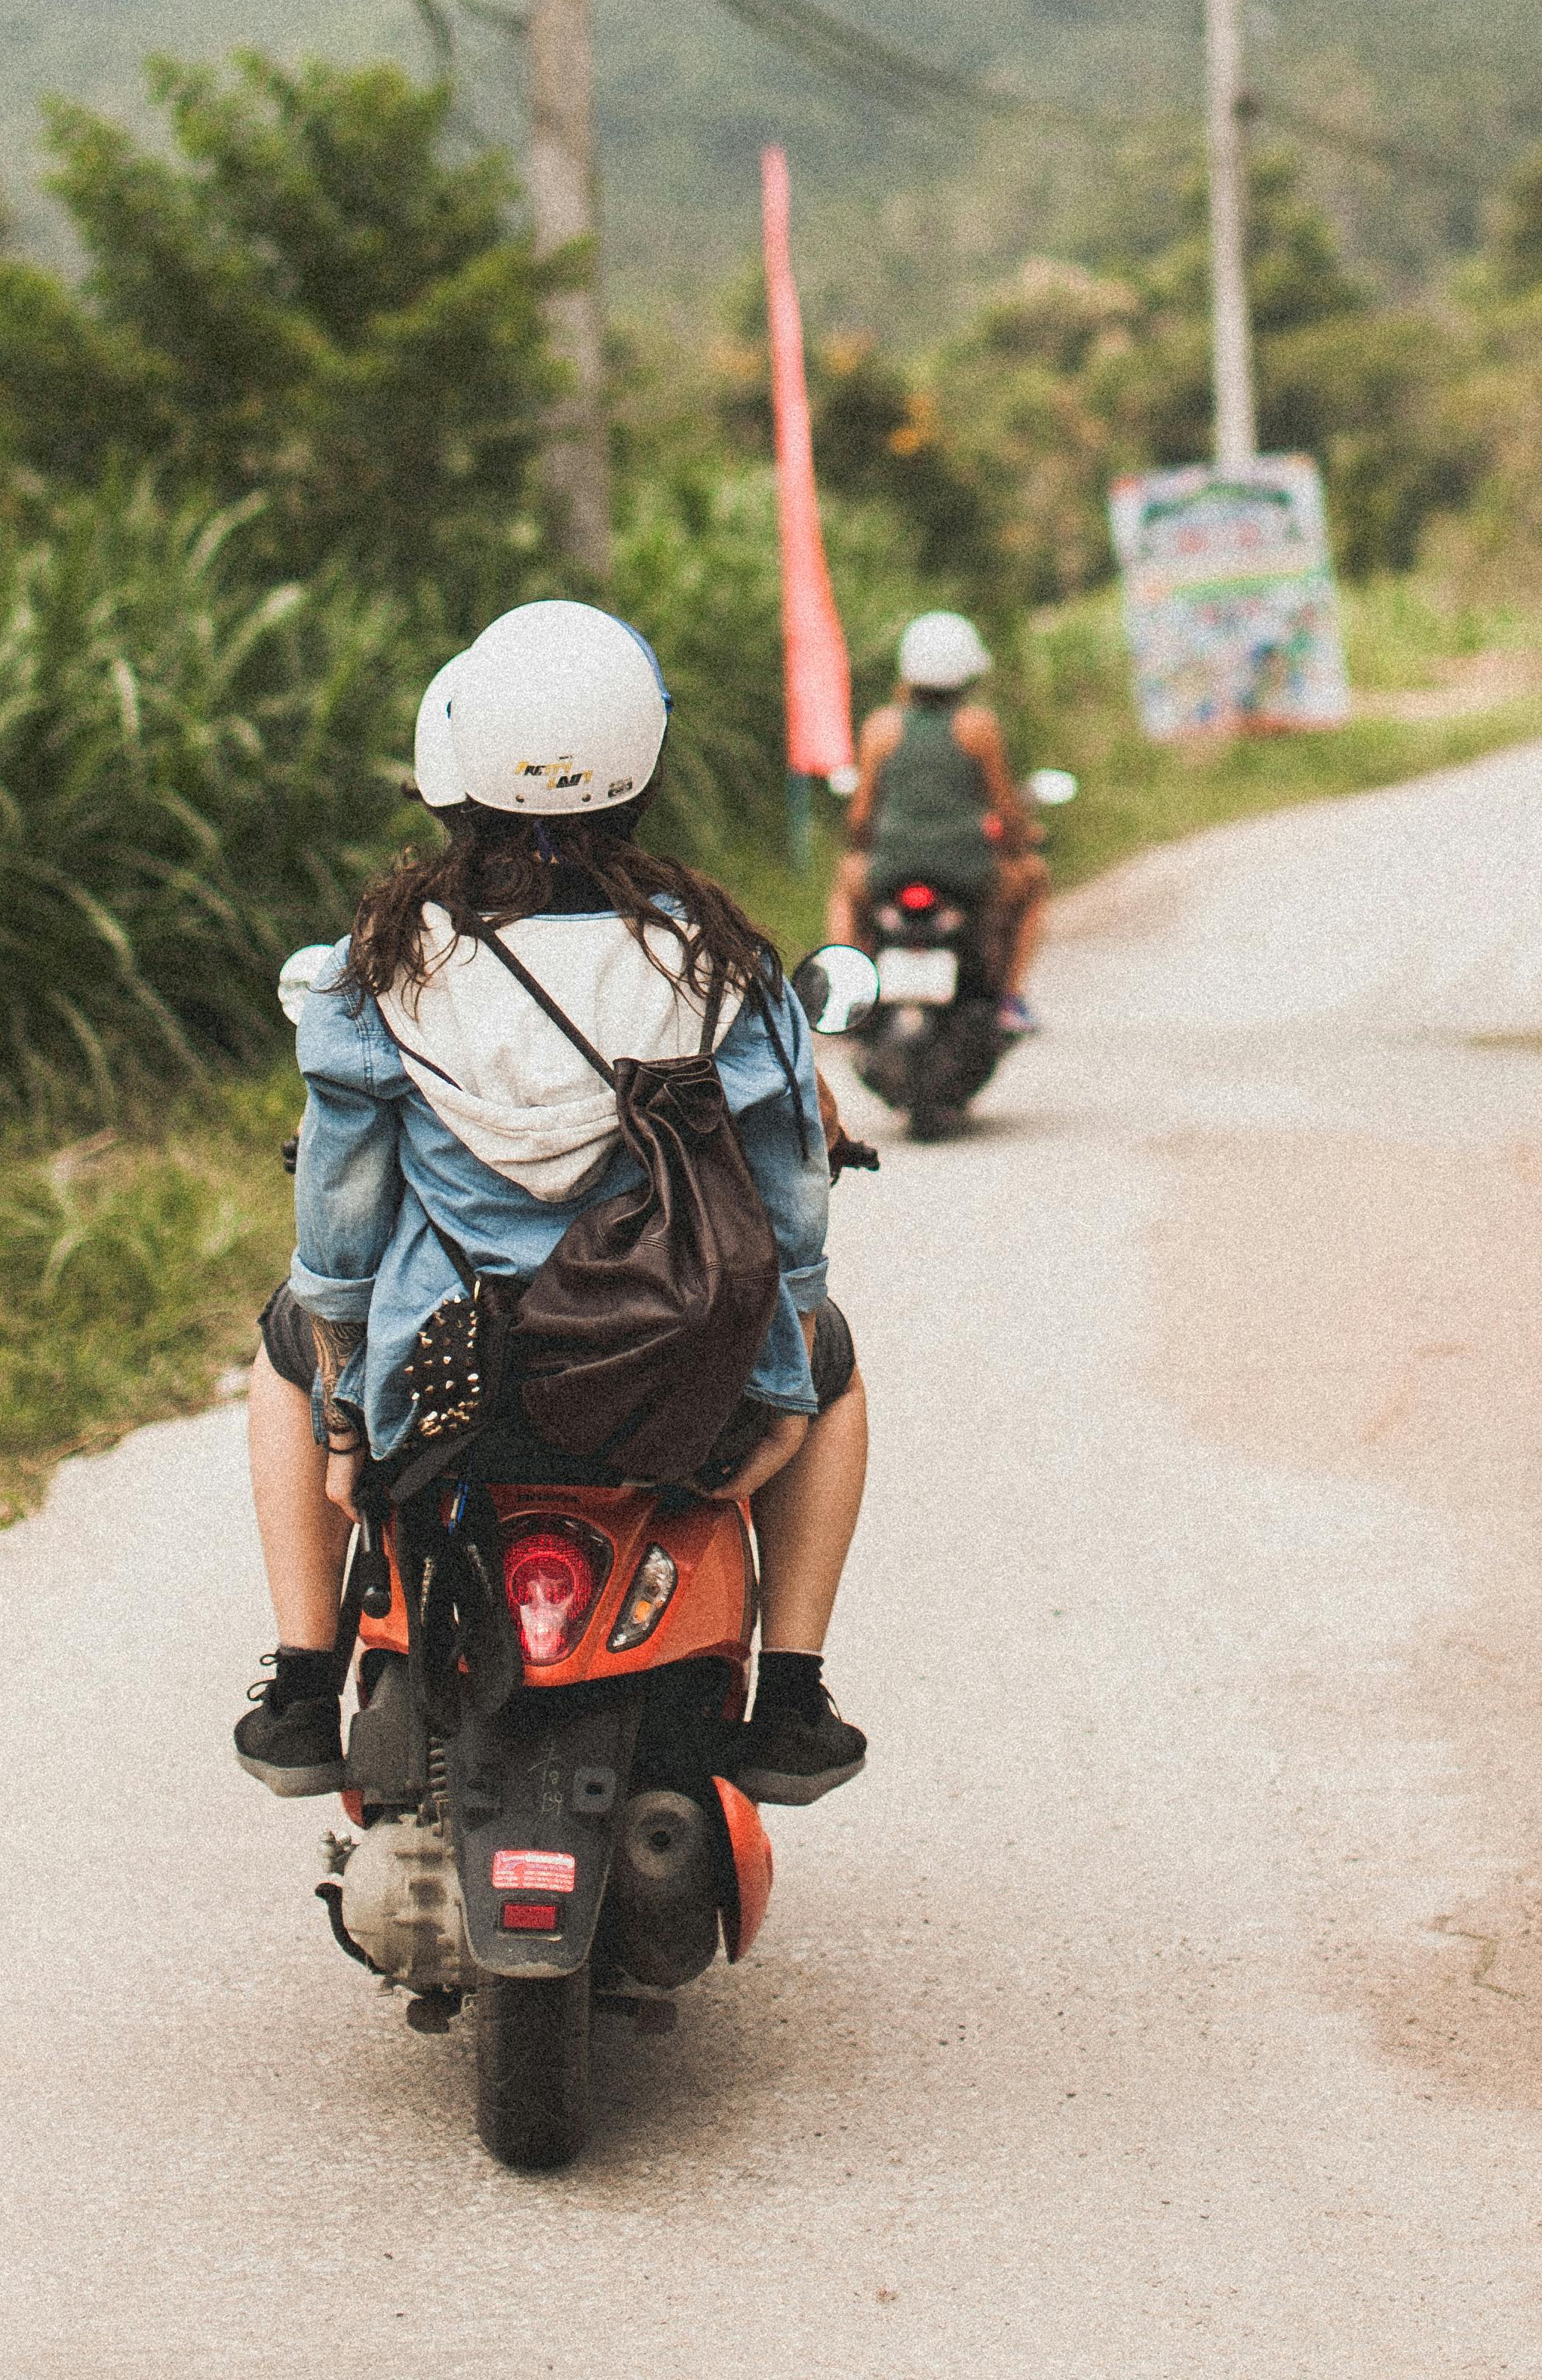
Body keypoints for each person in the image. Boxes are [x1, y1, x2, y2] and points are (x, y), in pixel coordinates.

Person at [235, 601, 870, 1810]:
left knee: (284, 1337)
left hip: (442, 1390)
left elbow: (342, 1230)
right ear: (645, 764)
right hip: (672, 1382)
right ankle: (790, 1695)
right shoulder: (716, 962)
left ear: (459, 767)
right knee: (831, 1358)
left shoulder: (386, 965)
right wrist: (778, 1394)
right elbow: (789, 1216)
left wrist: (344, 1414)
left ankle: (305, 1685)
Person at [825, 610, 1047, 1028]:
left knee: (845, 882)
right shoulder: (978, 727)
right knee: (1034, 880)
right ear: (968, 674)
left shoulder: (880, 728)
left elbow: (859, 822)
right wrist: (1019, 842)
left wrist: (865, 845)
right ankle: (1010, 1000)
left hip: (889, 872)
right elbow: (1005, 809)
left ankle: (842, 992)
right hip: (967, 874)